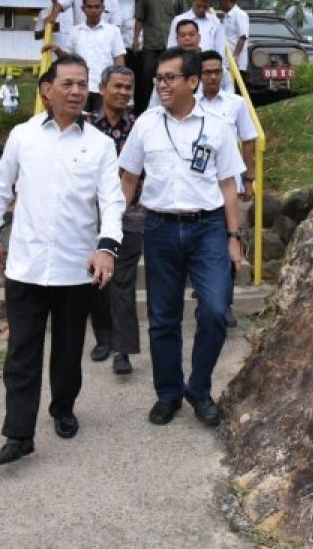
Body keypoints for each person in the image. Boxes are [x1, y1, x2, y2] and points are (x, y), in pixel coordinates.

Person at [0, 54, 124, 465]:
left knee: (67, 351)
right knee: (21, 352)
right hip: (25, 266)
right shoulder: (22, 136)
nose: (77, 91)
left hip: (74, 268)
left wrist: (106, 247)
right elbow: (0, 188)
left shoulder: (99, 144)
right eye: (68, 84)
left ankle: (63, 408)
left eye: (83, 84)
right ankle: (18, 433)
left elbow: (112, 202)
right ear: (47, 90)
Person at [118, 48, 244, 428]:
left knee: (215, 310)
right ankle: (169, 394)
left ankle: (199, 387)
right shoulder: (146, 124)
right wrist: (111, 232)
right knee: (163, 318)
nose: (161, 84)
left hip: (207, 227)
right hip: (158, 227)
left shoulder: (218, 125)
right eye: (158, 78)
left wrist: (233, 237)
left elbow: (228, 186)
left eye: (169, 78)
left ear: (192, 82)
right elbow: (128, 179)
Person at [84, 65, 142, 375]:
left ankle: (123, 349)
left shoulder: (140, 126)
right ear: (103, 88)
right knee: (96, 280)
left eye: (127, 87)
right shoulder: (86, 125)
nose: (122, 92)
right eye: (117, 86)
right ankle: (103, 338)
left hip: (130, 216)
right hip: (89, 216)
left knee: (122, 281)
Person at [196, 50, 259, 328]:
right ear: (198, 76)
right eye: (206, 72)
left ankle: (226, 302)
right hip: (196, 186)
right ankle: (204, 298)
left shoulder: (235, 104)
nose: (212, 76)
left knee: (227, 241)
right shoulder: (190, 104)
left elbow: (248, 140)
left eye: (216, 71)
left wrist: (249, 178)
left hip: (226, 185)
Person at [50, 0, 125, 113]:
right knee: (80, 123)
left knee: (101, 124)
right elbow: (69, 59)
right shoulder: (75, 31)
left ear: (103, 8)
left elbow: (119, 60)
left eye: (97, 7)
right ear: (82, 9)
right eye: (89, 7)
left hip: (104, 88)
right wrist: (58, 51)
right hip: (80, 88)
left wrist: (119, 84)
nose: (93, 10)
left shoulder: (113, 31)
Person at [133, 0, 188, 115]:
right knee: (146, 78)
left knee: (172, 77)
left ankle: (170, 108)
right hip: (151, 45)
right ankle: (143, 112)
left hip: (171, 46)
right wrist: (136, 39)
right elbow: (139, 19)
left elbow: (184, 20)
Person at [167, 0, 232, 91]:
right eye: (198, 6)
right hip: (183, 68)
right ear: (192, 1)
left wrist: (220, 67)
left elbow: (220, 49)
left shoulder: (215, 22)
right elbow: (171, 47)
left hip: (208, 69)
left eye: (205, 6)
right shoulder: (179, 20)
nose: (201, 9)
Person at [218, 0, 250, 74]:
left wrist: (235, 57)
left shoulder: (239, 14)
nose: (220, 6)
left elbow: (242, 37)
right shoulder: (226, 16)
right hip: (227, 61)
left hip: (236, 62)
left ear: (227, 1)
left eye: (221, 3)